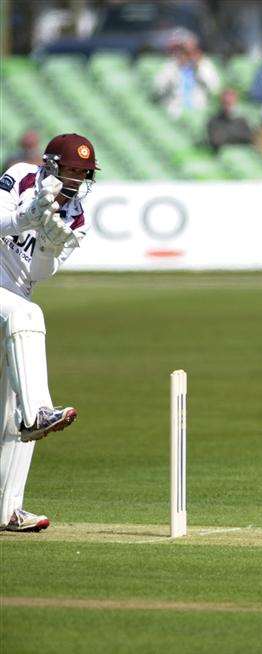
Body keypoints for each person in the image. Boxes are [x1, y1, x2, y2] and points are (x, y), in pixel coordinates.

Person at [0, 133, 95, 532]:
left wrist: (49, 247)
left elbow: (40, 273)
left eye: (83, 173)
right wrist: (27, 217)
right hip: (8, 298)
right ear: (52, 164)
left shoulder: (76, 216)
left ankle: (6, 510)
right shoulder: (20, 177)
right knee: (29, 315)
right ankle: (38, 410)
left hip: (13, 294)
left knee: (9, 410)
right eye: (71, 169)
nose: (76, 179)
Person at [153, 32, 221, 119]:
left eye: (192, 51)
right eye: (184, 51)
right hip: (175, 113)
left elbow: (214, 88)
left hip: (198, 111)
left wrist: (199, 68)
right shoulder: (170, 65)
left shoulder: (204, 64)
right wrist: (175, 68)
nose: (188, 55)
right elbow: (158, 88)